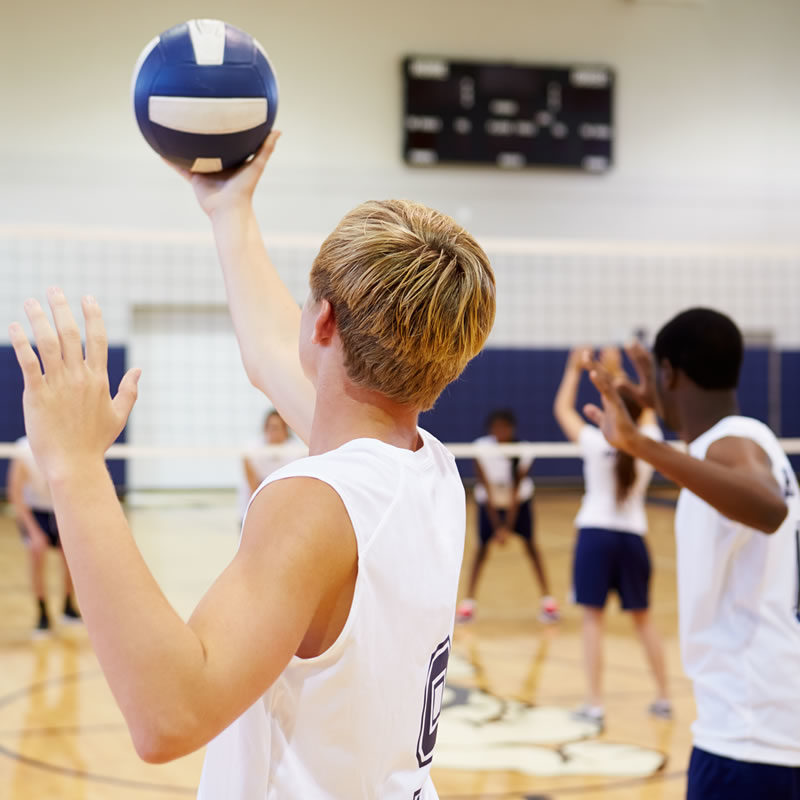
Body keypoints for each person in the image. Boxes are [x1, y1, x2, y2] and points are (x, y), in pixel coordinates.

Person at [7, 131, 496, 799]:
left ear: (321, 322)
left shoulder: (314, 504)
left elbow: (168, 716)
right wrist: (229, 209)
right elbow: (271, 353)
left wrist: (75, 466)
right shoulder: (427, 468)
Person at [583, 308, 800, 800]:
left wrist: (637, 442)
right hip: (768, 718)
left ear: (670, 372)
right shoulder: (745, 438)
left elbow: (769, 508)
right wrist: (656, 408)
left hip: (747, 733)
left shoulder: (730, 443)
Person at [553, 346, 670, 726]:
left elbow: (562, 410)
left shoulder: (596, 440)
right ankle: (665, 698)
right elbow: (644, 408)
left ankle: (595, 704)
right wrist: (620, 373)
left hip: (595, 535)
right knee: (644, 620)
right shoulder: (647, 442)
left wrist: (574, 370)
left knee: (593, 621)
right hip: (633, 538)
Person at [456, 409, 559, 623]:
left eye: (505, 428)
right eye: (496, 428)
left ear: (512, 429)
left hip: (518, 505)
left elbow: (515, 491)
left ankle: (548, 602)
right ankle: (468, 605)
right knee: (481, 551)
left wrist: (507, 526)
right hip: (490, 505)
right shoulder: (480, 448)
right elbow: (485, 485)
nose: (500, 432)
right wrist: (497, 526)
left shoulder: (523, 451)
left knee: (531, 547)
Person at [6, 436, 81, 635]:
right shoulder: (24, 449)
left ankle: (68, 606)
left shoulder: (68, 445)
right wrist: (33, 531)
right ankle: (42, 613)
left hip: (61, 509)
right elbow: (15, 493)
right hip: (35, 511)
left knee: (70, 555)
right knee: (37, 551)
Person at [238, 409, 298, 521]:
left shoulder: (295, 451)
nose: (272, 432)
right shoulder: (252, 449)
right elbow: (253, 485)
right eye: (269, 427)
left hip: (282, 513)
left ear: (285, 430)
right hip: (253, 513)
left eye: (276, 428)